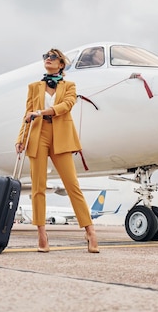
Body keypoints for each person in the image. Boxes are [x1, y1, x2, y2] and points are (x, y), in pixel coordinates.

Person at [15, 48, 99, 253]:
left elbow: (66, 105)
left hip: (61, 136)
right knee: (38, 187)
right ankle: (41, 234)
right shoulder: (34, 87)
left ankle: (90, 231)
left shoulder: (70, 86)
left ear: (61, 64)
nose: (48, 60)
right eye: (45, 57)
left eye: (52, 57)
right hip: (38, 135)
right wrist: (21, 138)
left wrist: (42, 112)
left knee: (72, 185)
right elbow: (27, 114)